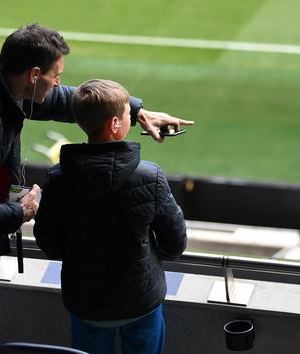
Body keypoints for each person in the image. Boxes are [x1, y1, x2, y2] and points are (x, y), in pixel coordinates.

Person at [0, 24, 193, 354]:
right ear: (34, 75)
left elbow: (66, 101)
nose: (60, 82)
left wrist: (135, 112)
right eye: (56, 74)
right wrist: (20, 211)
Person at [33, 79, 188, 354]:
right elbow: (175, 241)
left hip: (86, 303)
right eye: (130, 113)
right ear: (116, 124)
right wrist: (148, 255)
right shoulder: (150, 176)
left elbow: (48, 242)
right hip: (140, 302)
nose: (134, 117)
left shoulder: (58, 180)